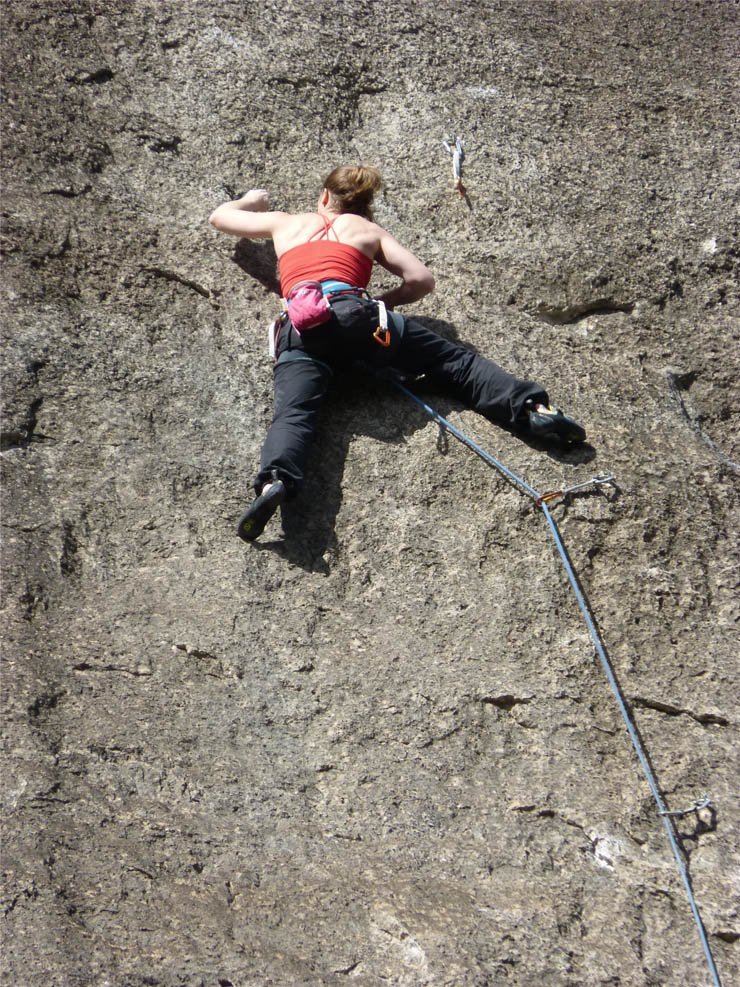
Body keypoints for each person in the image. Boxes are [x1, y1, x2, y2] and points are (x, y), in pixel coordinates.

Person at [209, 165, 586, 542]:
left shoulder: (285, 223)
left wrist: (252, 202)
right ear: (365, 205)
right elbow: (421, 280)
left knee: (293, 414)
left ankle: (274, 482)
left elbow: (220, 217)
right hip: (361, 319)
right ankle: (532, 410)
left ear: (325, 196)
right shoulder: (368, 231)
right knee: (455, 364)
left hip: (302, 328)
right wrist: (382, 301)